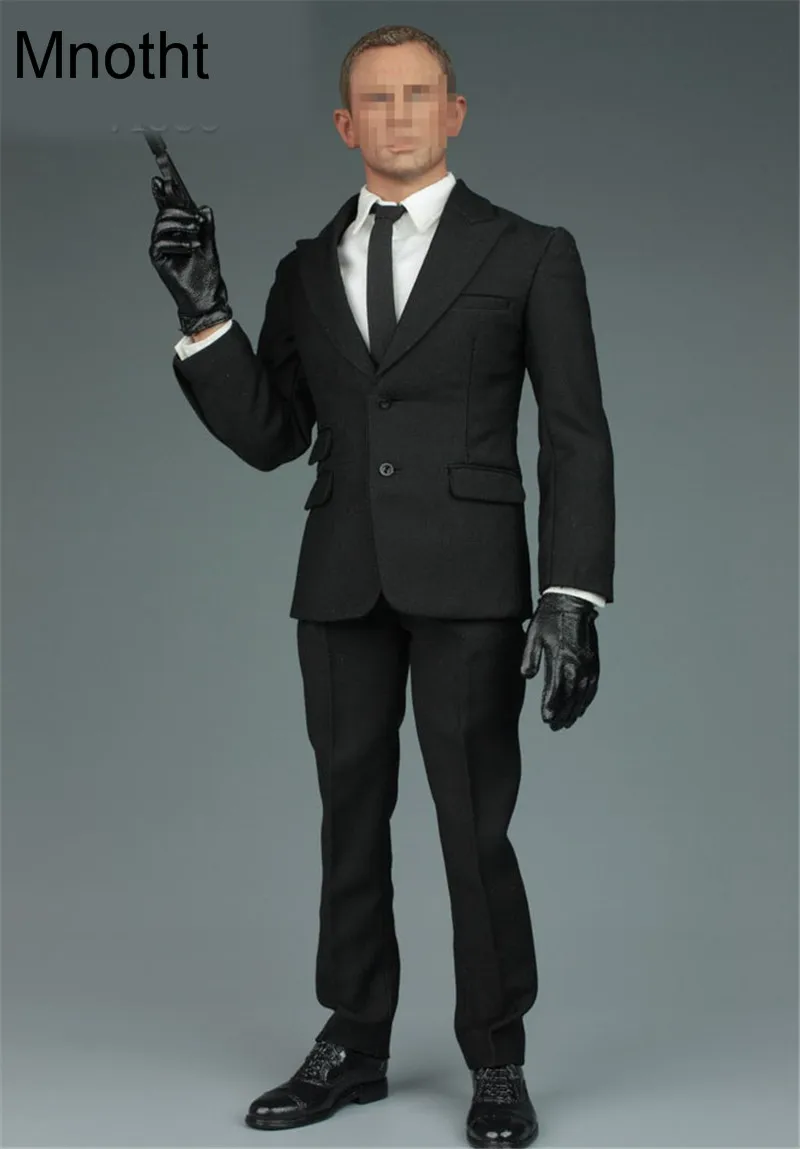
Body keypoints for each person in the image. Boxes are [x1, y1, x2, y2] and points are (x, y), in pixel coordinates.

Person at [148, 23, 615, 1149]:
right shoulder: (306, 269)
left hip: (471, 583)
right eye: (375, 99)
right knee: (348, 817)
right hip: (340, 581)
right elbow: (274, 433)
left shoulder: (529, 252)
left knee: (473, 826)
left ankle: (495, 1058)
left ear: (454, 113)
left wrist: (571, 595)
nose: (397, 115)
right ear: (344, 124)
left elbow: (573, 433)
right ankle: (353, 1039)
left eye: (417, 95)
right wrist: (203, 314)